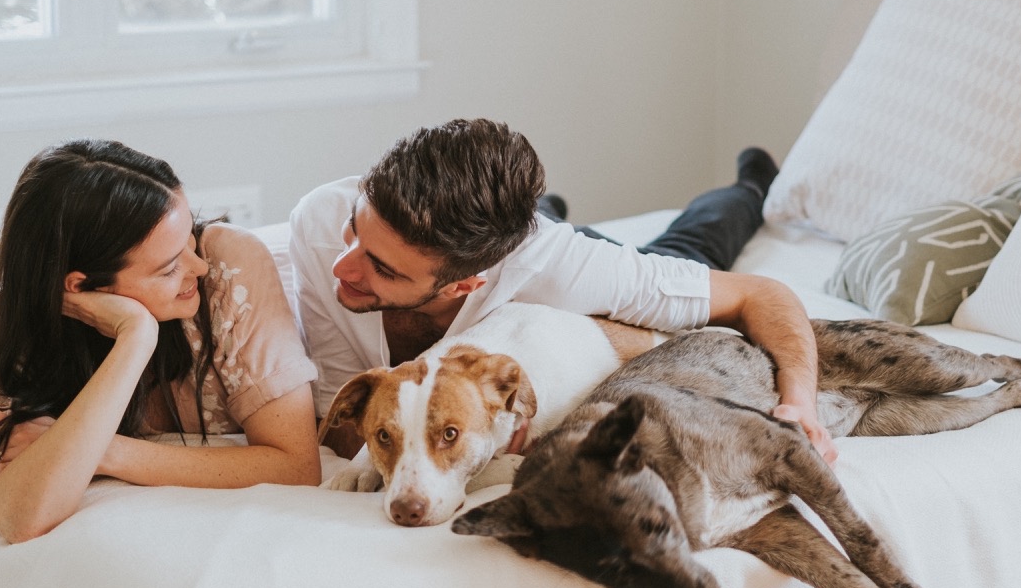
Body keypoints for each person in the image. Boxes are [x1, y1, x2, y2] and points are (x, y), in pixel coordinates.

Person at [285, 118, 837, 466]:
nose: (343, 266)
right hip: (506, 240)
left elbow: (761, 295)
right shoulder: (317, 222)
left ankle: (750, 182)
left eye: (380, 267)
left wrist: (800, 404)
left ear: (464, 286)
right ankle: (547, 208)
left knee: (687, 247)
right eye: (356, 229)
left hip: (556, 256)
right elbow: (340, 425)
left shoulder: (570, 270)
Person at [0, 139, 322, 544]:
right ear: (81, 287)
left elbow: (296, 467)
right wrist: (136, 337)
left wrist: (105, 451)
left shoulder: (226, 266)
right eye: (168, 269)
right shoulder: (13, 332)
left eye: (189, 237)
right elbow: (21, 517)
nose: (196, 267)